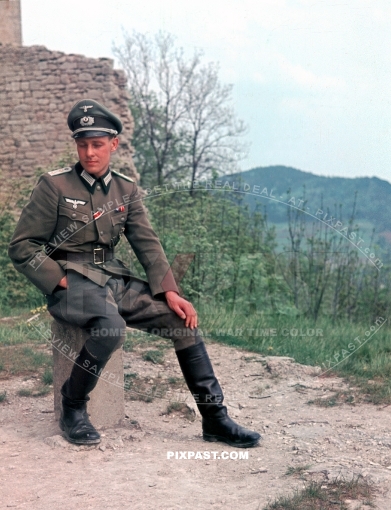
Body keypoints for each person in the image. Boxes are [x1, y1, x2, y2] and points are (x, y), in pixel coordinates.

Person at [8, 99, 261, 449]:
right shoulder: (55, 186)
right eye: (83, 145)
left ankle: (214, 418)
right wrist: (60, 281)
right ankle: (73, 408)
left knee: (180, 321)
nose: (89, 153)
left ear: (113, 144)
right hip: (73, 279)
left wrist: (170, 291)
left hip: (112, 277)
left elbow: (148, 244)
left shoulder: (125, 189)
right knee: (109, 326)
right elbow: (22, 247)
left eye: (97, 145)